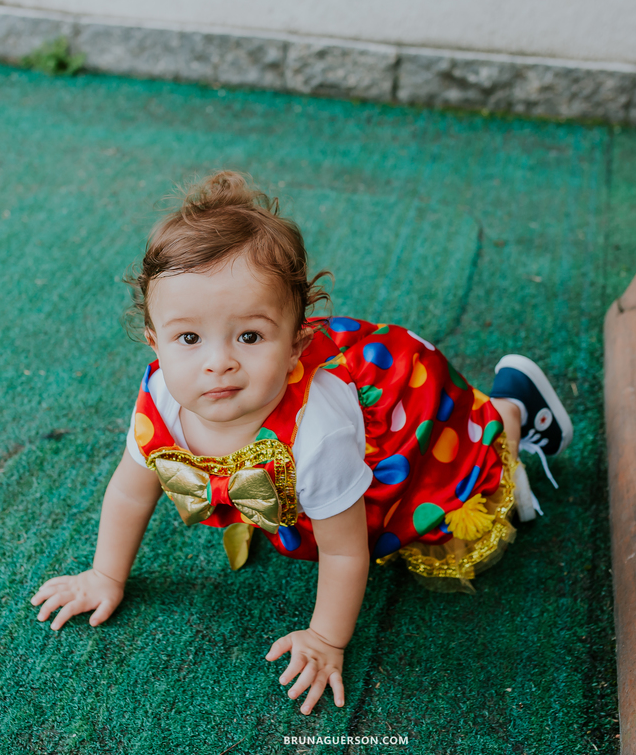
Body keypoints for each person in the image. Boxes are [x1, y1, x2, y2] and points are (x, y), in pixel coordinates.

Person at [29, 170, 573, 715]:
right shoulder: (160, 397)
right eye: (188, 337)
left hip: (408, 422)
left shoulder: (319, 437)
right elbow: (130, 490)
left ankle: (511, 408)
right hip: (304, 458)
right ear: (155, 341)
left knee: (450, 488)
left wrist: (326, 639)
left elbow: (344, 550)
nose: (218, 362)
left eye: (250, 336)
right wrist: (104, 575)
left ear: (295, 345)